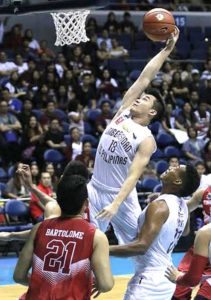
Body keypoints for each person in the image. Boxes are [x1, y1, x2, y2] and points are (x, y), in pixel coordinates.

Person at [88, 28, 180, 244]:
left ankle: (155, 275)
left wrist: (115, 204)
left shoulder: (146, 139)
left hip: (121, 196)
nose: (140, 98)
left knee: (139, 244)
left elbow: (133, 176)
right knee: (87, 241)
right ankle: (88, 276)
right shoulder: (124, 112)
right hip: (95, 188)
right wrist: (166, 51)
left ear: (152, 112)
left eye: (146, 99)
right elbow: (145, 78)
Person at [13, 173, 114, 300]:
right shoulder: (96, 236)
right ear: (86, 203)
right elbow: (105, 285)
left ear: (58, 201)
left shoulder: (38, 228)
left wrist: (41, 284)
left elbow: (18, 276)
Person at [109, 164, 200, 299]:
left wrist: (103, 249)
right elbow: (185, 232)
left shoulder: (159, 206)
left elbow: (141, 247)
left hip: (149, 282)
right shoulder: (183, 207)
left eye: (176, 168)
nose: (172, 166)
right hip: (167, 277)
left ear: (177, 181)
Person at [169, 186, 211, 300]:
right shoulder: (204, 192)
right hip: (202, 246)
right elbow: (185, 207)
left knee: (203, 297)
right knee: (178, 294)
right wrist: (186, 229)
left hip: (205, 239)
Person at [165, 223, 211, 300]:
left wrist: (177, 278)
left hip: (204, 243)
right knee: (179, 292)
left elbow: (192, 279)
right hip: (202, 248)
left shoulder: (205, 232)